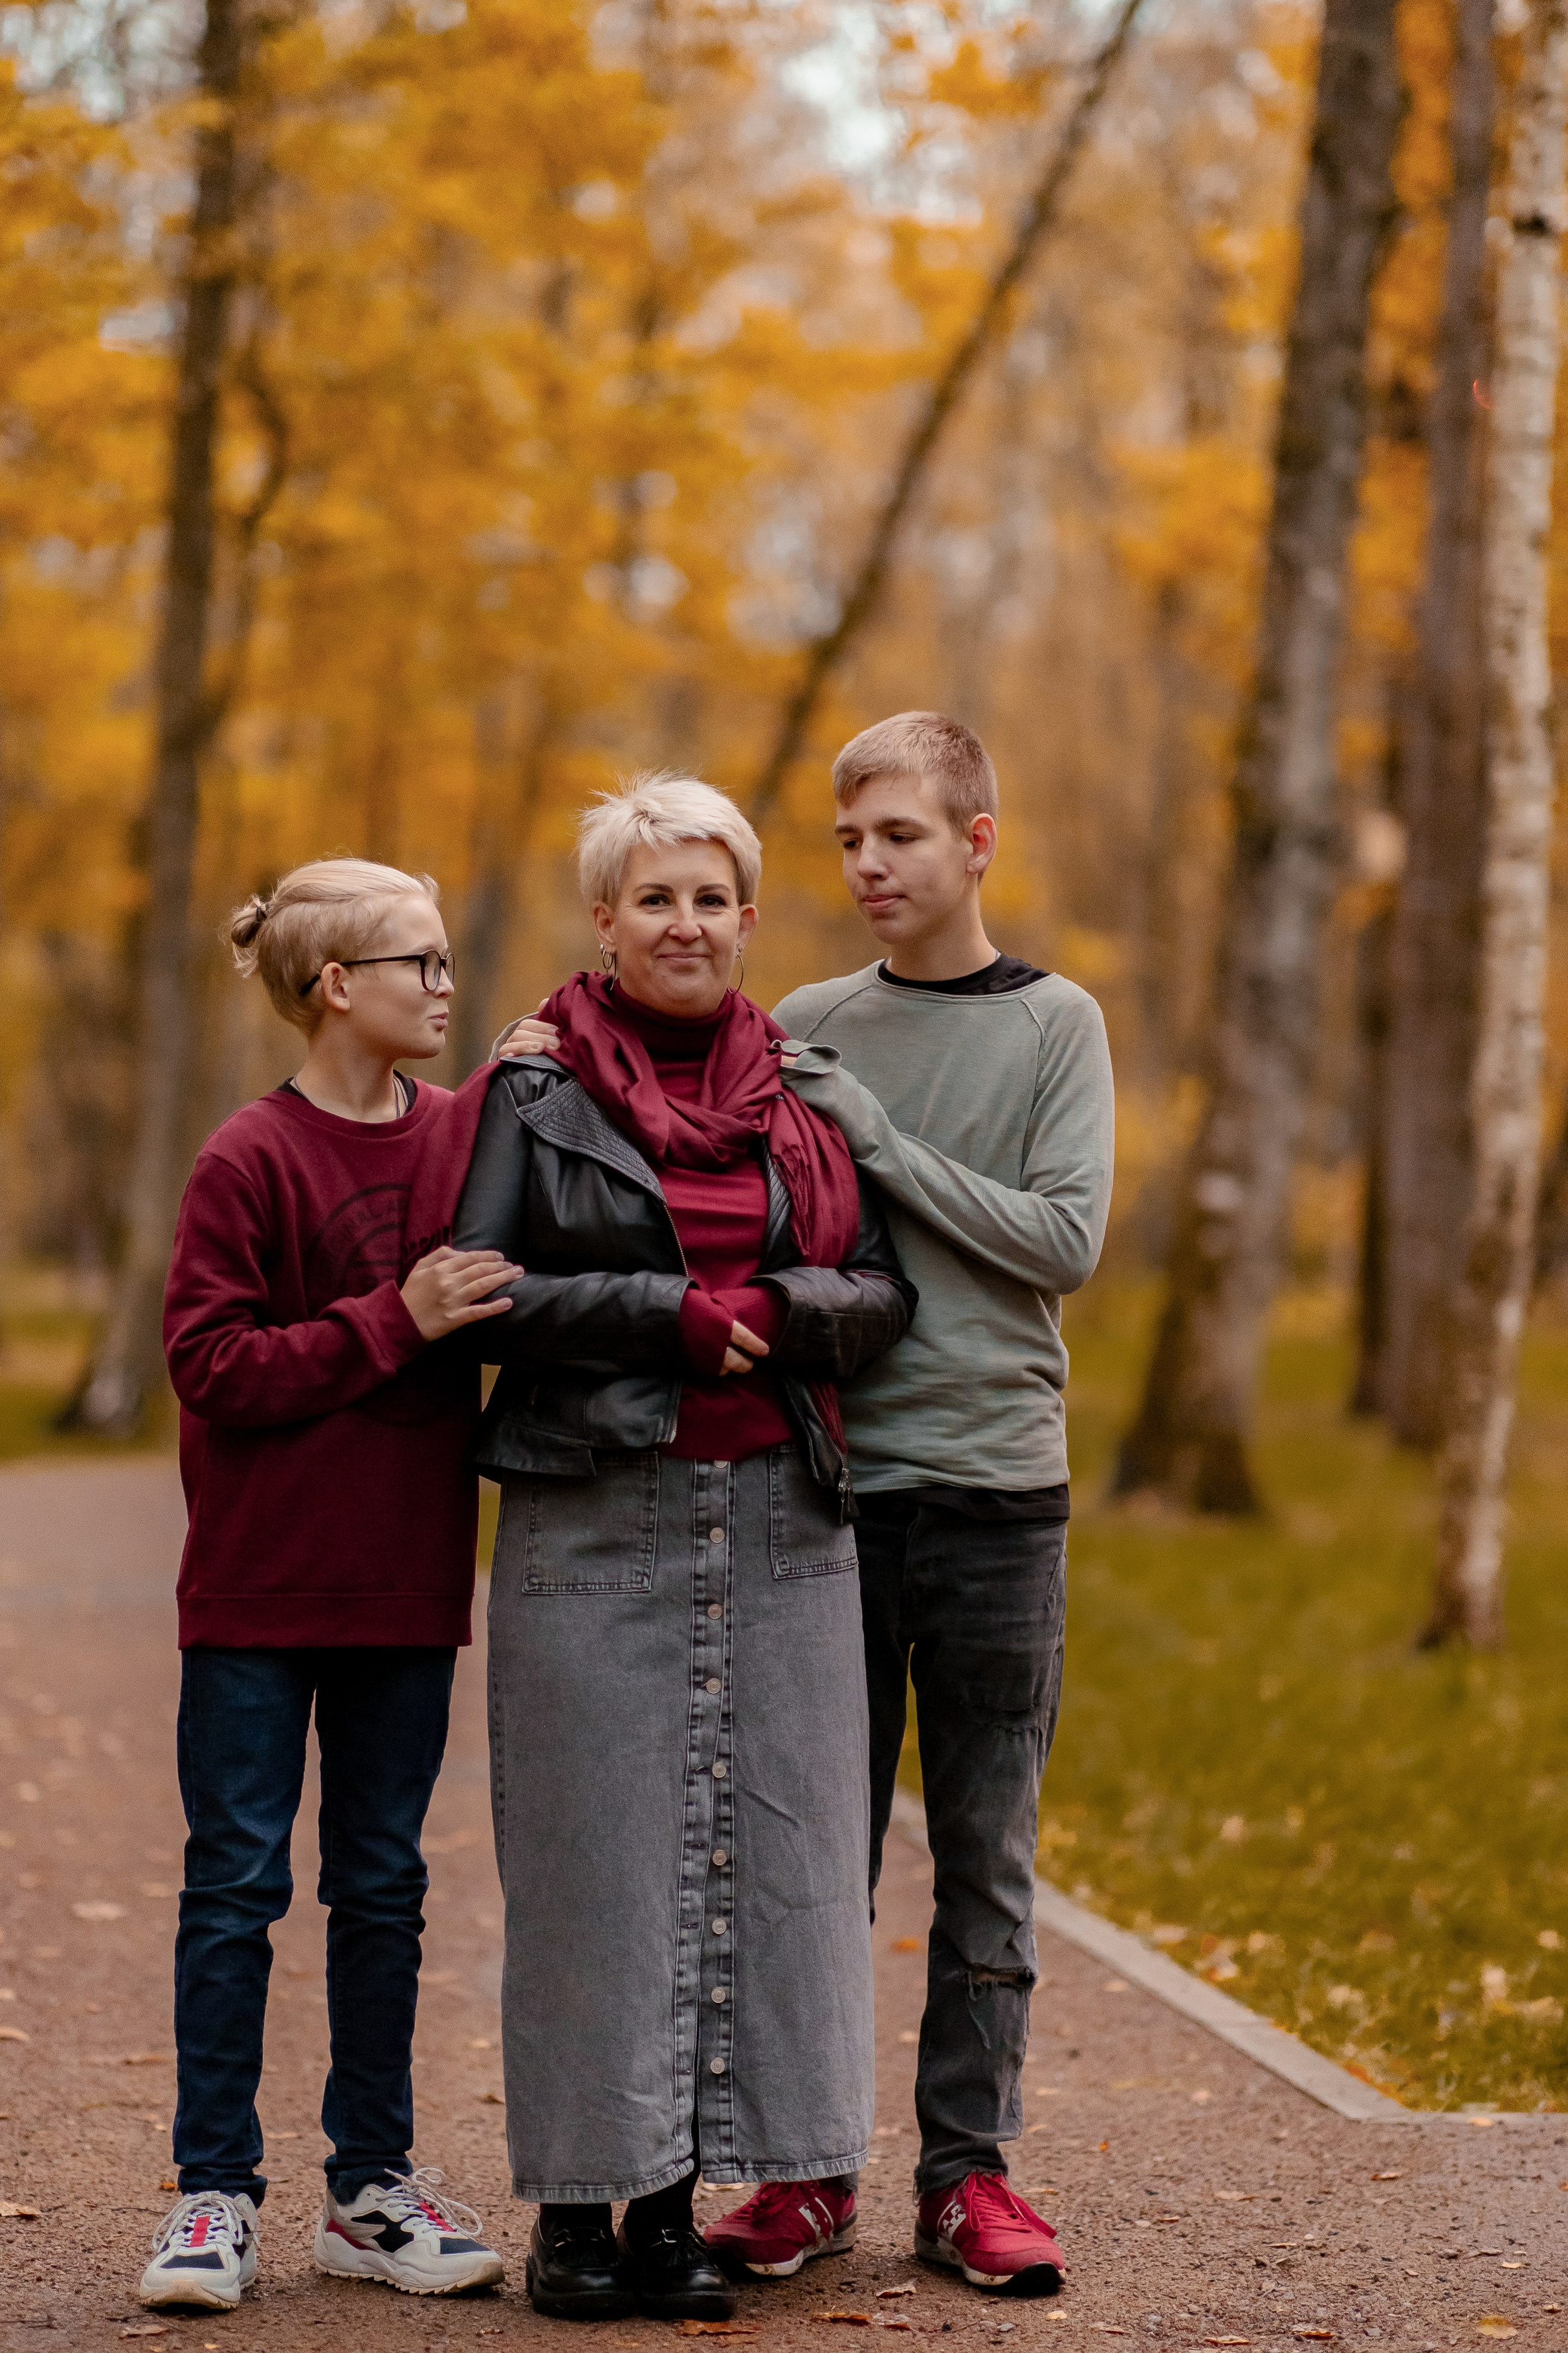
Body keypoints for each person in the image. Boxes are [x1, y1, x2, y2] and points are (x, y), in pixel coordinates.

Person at [463, 771, 915, 2325]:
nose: (684, 922)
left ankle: (669, 2216)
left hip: (783, 1518)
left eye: (709, 897)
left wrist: (780, 1308)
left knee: (762, 1866)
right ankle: (572, 2221)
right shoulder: (531, 1093)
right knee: (595, 1868)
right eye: (653, 897)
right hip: (594, 1510)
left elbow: (880, 1289)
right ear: (603, 920)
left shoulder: (802, 1094)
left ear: (746, 917)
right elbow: (480, 1289)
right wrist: (667, 1315)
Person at [726, 713, 1114, 2297]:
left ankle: (968, 2179)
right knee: (813, 1859)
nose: (869, 865)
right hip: (830, 1494)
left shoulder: (1054, 1025)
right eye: (847, 840)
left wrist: (877, 1142)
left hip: (998, 1495)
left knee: (983, 1859)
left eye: (897, 834)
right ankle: (806, 2168)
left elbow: (1063, 1239)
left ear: (975, 840)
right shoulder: (804, 1021)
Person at [142, 858, 520, 2313]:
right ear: (335, 985)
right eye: (418, 961)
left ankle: (368, 2190)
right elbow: (210, 1364)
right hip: (255, 1591)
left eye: (446, 957)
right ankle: (212, 2195)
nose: (443, 983)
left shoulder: (462, 1136)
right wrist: (393, 1318)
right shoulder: (248, 1158)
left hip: (404, 1590)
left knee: (384, 1889)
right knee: (235, 1887)